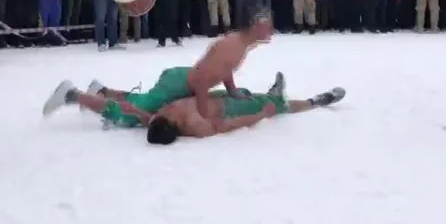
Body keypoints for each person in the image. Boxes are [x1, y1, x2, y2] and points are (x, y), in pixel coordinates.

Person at [43, 14, 273, 124]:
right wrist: (203, 112)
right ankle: (71, 94)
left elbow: (223, 70)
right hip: (181, 84)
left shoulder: (241, 45)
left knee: (145, 102)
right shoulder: (234, 47)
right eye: (267, 29)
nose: (270, 33)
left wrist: (231, 91)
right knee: (128, 115)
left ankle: (101, 90)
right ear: (254, 27)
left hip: (182, 79)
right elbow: (204, 78)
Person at [43, 73, 346, 145]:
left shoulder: (161, 117)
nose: (166, 110)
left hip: (208, 88)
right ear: (177, 126)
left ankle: (95, 95)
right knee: (278, 106)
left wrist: (132, 114)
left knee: (135, 108)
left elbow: (146, 115)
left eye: (162, 114)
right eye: (166, 114)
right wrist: (260, 113)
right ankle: (317, 100)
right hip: (231, 104)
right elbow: (232, 124)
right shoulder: (199, 126)